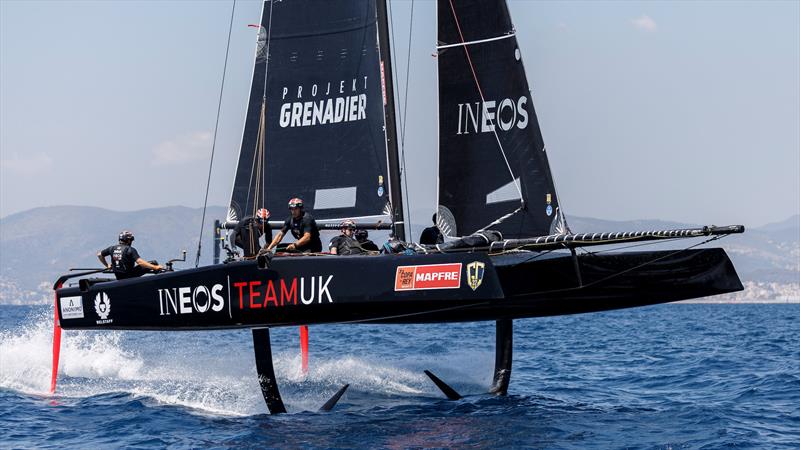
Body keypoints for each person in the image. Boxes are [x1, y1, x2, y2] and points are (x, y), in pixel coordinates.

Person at [97, 231, 163, 280]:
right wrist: (155, 267)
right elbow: (140, 262)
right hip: (129, 276)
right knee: (154, 263)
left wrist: (107, 265)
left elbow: (99, 255)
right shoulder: (130, 249)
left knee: (151, 265)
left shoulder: (111, 248)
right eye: (131, 240)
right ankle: (161, 281)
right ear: (128, 240)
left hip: (118, 277)